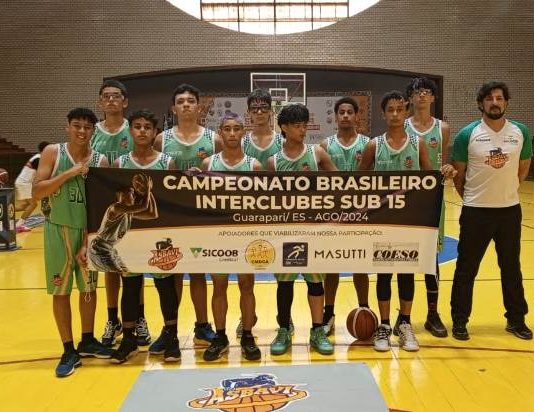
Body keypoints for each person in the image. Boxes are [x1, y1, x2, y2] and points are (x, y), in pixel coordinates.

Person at [359, 91, 454, 352]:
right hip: (383, 221)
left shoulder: (418, 143)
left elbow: (429, 178)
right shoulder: (374, 145)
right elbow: (357, 181)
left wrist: (444, 172)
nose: (395, 114)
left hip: (409, 221)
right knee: (383, 273)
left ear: (405, 111)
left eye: (399, 109)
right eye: (390, 110)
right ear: (383, 114)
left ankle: (405, 323)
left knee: (406, 272)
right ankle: (384, 325)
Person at [32, 108, 112, 377]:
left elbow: (102, 205)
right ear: (67, 127)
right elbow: (37, 190)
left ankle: (87, 339)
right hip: (58, 228)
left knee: (89, 289)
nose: (82, 131)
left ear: (93, 131)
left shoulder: (100, 160)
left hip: (87, 232)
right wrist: (71, 172)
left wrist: (90, 240)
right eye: (77, 125)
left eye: (87, 127)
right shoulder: (53, 153)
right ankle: (68, 349)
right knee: (61, 290)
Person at [450, 81, 532, 341]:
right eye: (489, 99)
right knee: (466, 268)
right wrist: (473, 198)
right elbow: (459, 176)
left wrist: (507, 192)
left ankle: (516, 320)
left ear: (506, 102)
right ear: (481, 104)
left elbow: (523, 168)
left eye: (499, 98)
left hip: (509, 211)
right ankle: (460, 320)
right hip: (476, 212)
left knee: (511, 268)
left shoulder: (520, 132)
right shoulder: (467, 134)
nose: (494, 102)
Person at [105, 110, 181, 363]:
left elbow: (170, 204)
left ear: (155, 132)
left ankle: (172, 337)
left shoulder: (167, 163)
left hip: (159, 235)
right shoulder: (120, 164)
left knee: (165, 286)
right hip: (129, 237)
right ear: (130, 131)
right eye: (137, 126)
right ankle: (129, 340)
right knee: (130, 286)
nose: (142, 131)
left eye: (147, 127)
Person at [152, 83, 222, 351]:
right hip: (171, 217)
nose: (186, 105)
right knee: (173, 273)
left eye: (191, 101)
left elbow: (221, 176)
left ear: (199, 106)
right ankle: (170, 329)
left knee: (198, 272)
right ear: (174, 108)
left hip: (202, 216)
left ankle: (202, 325)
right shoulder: (162, 140)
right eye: (180, 101)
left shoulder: (214, 139)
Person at [267, 103, 337, 356]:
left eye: (304, 125)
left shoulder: (317, 153)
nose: (302, 130)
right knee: (284, 284)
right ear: (284, 128)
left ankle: (317, 330)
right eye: (297, 126)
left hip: (314, 231)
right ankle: (284, 329)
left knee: (315, 283)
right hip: (286, 232)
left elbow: (341, 183)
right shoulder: (274, 162)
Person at [91, 79, 151, 348]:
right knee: (110, 269)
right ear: (100, 102)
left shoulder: (135, 128)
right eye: (106, 96)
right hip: (105, 203)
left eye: (116, 96)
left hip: (132, 205)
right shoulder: (93, 132)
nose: (111, 100)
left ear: (125, 101)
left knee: (134, 265)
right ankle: (112, 318)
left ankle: (139, 318)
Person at [199, 112, 262, 361]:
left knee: (247, 285)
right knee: (219, 286)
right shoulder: (208, 164)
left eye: (237, 129)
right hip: (217, 235)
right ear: (220, 133)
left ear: (243, 132)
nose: (232, 133)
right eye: (227, 129)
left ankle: (247, 334)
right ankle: (220, 336)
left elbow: (262, 203)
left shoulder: (254, 166)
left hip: (246, 235)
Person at [319, 96, 370, 336]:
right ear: (336, 116)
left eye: (350, 112)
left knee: (360, 263)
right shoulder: (325, 145)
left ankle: (365, 308)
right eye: (342, 112)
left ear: (357, 116)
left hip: (361, 214)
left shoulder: (368, 144)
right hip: (334, 214)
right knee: (332, 265)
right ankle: (329, 313)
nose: (346, 116)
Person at [404, 77, 451, 338]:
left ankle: (433, 314)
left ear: (433, 97)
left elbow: (444, 162)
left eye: (426, 92)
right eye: (417, 92)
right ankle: (405, 316)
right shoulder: (402, 126)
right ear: (410, 98)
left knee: (431, 259)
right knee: (406, 257)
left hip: (432, 200)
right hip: (407, 201)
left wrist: (448, 169)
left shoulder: (443, 128)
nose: (422, 95)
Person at [236, 88, 284, 337]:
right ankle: (247, 316)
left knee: (283, 274)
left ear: (271, 111)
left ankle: (284, 319)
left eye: (264, 107)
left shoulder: (283, 141)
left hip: (277, 214)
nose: (259, 112)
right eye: (254, 108)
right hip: (248, 215)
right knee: (246, 274)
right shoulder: (241, 142)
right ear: (249, 113)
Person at [14, 141, 49, 232]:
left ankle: (5, 211)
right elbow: (42, 175)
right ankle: (18, 225)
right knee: (33, 204)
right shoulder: (38, 159)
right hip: (24, 183)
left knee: (24, 206)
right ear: (45, 150)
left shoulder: (38, 157)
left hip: (24, 183)